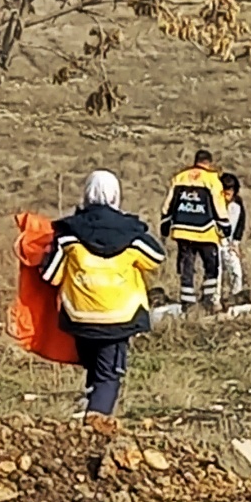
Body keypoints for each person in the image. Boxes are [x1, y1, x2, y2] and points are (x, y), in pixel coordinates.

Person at [39, 170, 166, 435]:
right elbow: (156, 257)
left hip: (81, 317)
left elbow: (50, 275)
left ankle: (90, 406)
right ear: (116, 195)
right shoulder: (131, 233)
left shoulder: (68, 234)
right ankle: (96, 423)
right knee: (109, 375)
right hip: (120, 316)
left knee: (94, 368)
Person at [160, 149, 231, 311]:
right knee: (211, 267)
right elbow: (219, 206)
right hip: (205, 231)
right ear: (209, 163)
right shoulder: (212, 180)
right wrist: (225, 227)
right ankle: (208, 300)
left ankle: (187, 302)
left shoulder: (179, 178)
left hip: (182, 230)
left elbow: (168, 205)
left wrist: (165, 226)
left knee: (187, 267)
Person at [218, 172, 246, 302]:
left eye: (230, 193)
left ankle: (236, 297)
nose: (227, 196)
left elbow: (240, 224)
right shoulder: (214, 204)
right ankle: (215, 300)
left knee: (236, 272)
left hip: (230, 245)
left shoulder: (238, 205)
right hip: (216, 243)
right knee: (216, 274)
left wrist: (236, 243)